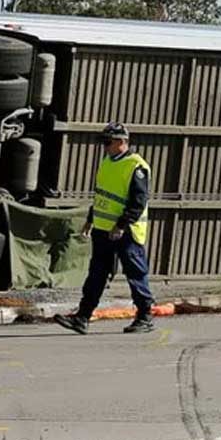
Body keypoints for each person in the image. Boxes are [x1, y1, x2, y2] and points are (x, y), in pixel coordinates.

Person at [55, 122, 156, 335]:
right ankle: (82, 317)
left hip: (126, 231)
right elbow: (102, 194)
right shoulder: (107, 162)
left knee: (135, 273)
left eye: (108, 142)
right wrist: (91, 219)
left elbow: (138, 202)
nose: (105, 146)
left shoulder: (136, 166)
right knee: (97, 274)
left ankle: (145, 315)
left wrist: (121, 225)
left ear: (122, 142)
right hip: (102, 229)